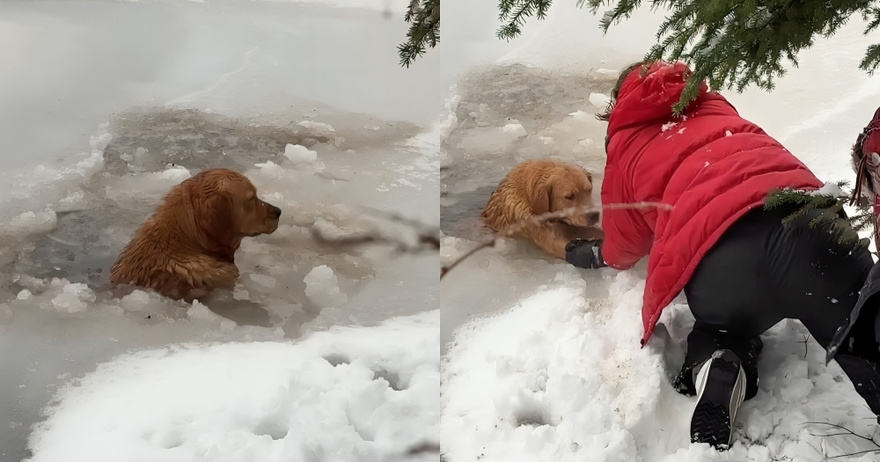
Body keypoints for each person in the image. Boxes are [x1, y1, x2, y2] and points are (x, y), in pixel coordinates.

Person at [565, 61, 880, 450]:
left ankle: (721, 358)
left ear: (617, 104)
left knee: (724, 325)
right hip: (813, 228)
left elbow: (627, 244)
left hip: (725, 268)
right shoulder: (714, 104)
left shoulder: (627, 144)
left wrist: (597, 254)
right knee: (866, 332)